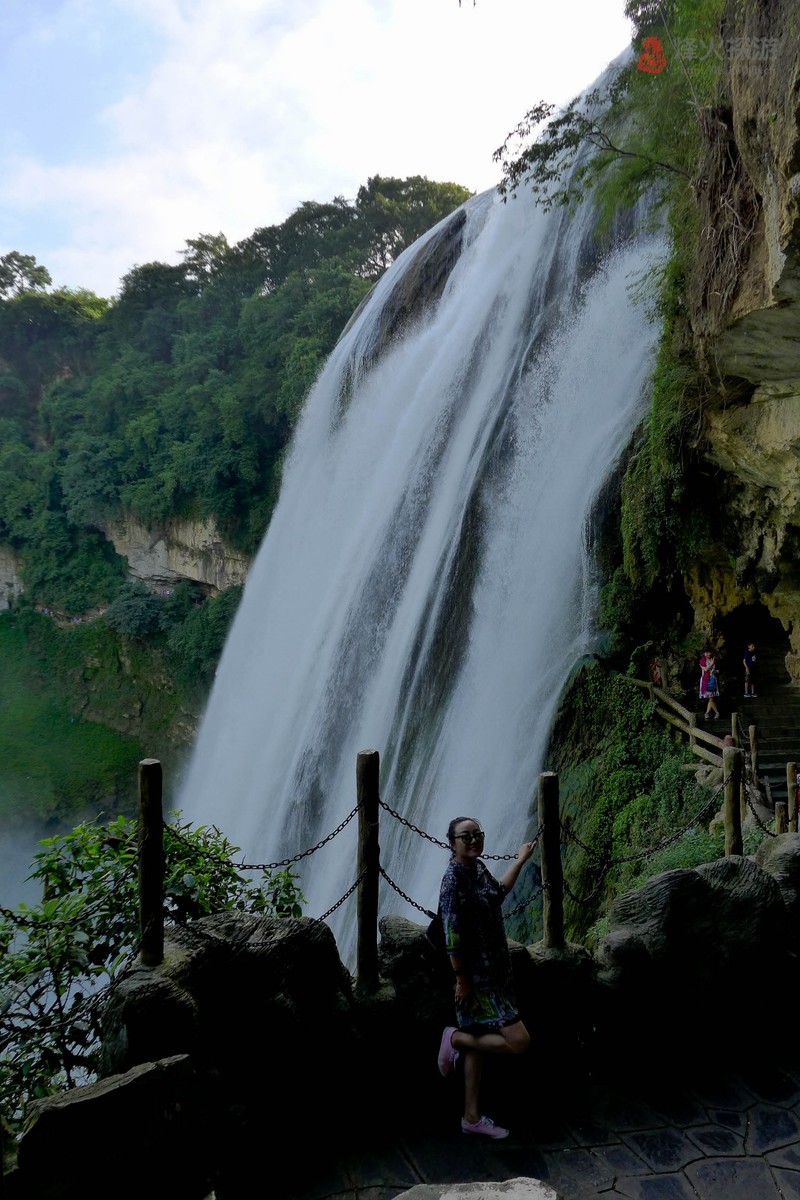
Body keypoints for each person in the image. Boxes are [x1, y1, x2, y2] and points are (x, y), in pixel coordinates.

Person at [436, 816, 538, 1140]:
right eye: (465, 837)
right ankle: (454, 1039)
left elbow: (497, 893)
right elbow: (451, 936)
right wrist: (462, 980)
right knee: (519, 1041)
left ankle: (471, 1117)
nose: (473, 840)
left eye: (477, 834)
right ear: (452, 843)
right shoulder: (453, 881)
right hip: (477, 979)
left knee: (477, 1041)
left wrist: (520, 860)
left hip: (495, 970)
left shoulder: (477, 869)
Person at [699, 648, 720, 719]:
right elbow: (706, 669)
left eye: (709, 652)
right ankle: (717, 712)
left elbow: (718, 669)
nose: (708, 654)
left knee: (711, 698)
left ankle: (707, 713)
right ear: (704, 653)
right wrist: (712, 663)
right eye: (706, 653)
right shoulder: (702, 660)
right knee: (711, 697)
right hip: (706, 681)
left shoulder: (714, 659)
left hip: (713, 680)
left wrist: (716, 671)